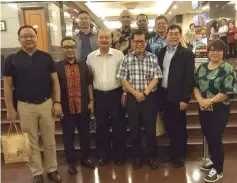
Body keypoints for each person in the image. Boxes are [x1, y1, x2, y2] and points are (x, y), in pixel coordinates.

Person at [3, 25, 62, 183]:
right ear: (19, 39)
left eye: (31, 36)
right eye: (24, 36)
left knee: (49, 140)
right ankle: (37, 172)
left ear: (37, 37)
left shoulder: (46, 57)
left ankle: (52, 169)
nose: (28, 39)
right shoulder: (11, 59)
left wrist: (57, 102)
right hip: (24, 105)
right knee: (31, 141)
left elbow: (55, 81)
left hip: (46, 103)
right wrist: (10, 108)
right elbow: (7, 86)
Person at [117, 29, 163, 170]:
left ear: (146, 42)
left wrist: (144, 93)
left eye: (141, 41)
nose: (138, 44)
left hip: (149, 98)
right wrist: (135, 93)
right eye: (136, 41)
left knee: (150, 130)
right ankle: (137, 157)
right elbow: (122, 79)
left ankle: (151, 157)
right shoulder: (126, 58)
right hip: (132, 98)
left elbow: (156, 78)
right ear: (131, 43)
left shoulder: (153, 58)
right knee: (134, 129)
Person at [193, 39, 237, 182]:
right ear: (208, 52)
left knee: (215, 137)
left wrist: (210, 101)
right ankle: (213, 159)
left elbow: (227, 91)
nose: (215, 53)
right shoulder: (203, 67)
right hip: (204, 107)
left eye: (218, 50)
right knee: (207, 134)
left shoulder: (227, 69)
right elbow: (195, 85)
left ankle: (218, 170)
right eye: (212, 50)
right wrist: (200, 100)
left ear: (223, 52)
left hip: (220, 108)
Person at [55, 37, 95, 175]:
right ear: (61, 49)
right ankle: (71, 162)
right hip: (66, 108)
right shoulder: (57, 67)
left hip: (83, 106)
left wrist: (91, 100)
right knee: (68, 136)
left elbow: (89, 84)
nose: (70, 49)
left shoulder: (83, 65)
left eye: (72, 46)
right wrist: (57, 104)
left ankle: (85, 158)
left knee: (85, 135)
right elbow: (54, 87)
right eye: (66, 47)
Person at [157, 24, 195, 167]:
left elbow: (188, 78)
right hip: (163, 95)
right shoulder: (161, 52)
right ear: (166, 35)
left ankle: (179, 155)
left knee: (179, 126)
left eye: (176, 34)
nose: (173, 36)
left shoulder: (187, 54)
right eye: (171, 34)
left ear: (180, 36)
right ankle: (173, 151)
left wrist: (185, 98)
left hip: (178, 96)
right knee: (169, 125)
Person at [87, 29, 126, 166]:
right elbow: (89, 80)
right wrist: (91, 99)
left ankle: (118, 154)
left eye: (107, 38)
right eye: (101, 37)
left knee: (118, 126)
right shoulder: (91, 57)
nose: (104, 40)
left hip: (116, 94)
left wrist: (125, 93)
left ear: (111, 39)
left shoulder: (119, 55)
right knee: (101, 127)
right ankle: (103, 155)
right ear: (97, 39)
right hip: (99, 96)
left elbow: (124, 76)